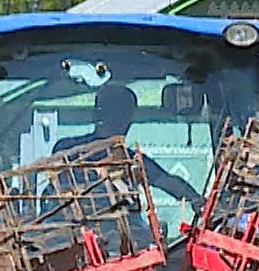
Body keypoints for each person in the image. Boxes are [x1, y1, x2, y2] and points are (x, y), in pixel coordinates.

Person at [52, 84, 201, 204]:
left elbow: (167, 182)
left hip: (129, 230)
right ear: (97, 115)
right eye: (113, 114)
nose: (120, 121)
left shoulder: (133, 161)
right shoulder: (67, 151)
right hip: (70, 230)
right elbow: (59, 192)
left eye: (125, 115)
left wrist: (196, 199)